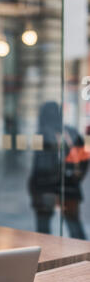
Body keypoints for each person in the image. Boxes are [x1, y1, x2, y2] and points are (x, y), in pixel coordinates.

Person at [28, 101, 89, 239]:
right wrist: (74, 179)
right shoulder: (72, 132)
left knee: (43, 230)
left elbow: (40, 167)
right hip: (70, 188)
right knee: (75, 226)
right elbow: (84, 160)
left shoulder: (41, 134)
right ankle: (84, 257)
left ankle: (46, 257)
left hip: (45, 190)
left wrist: (34, 188)